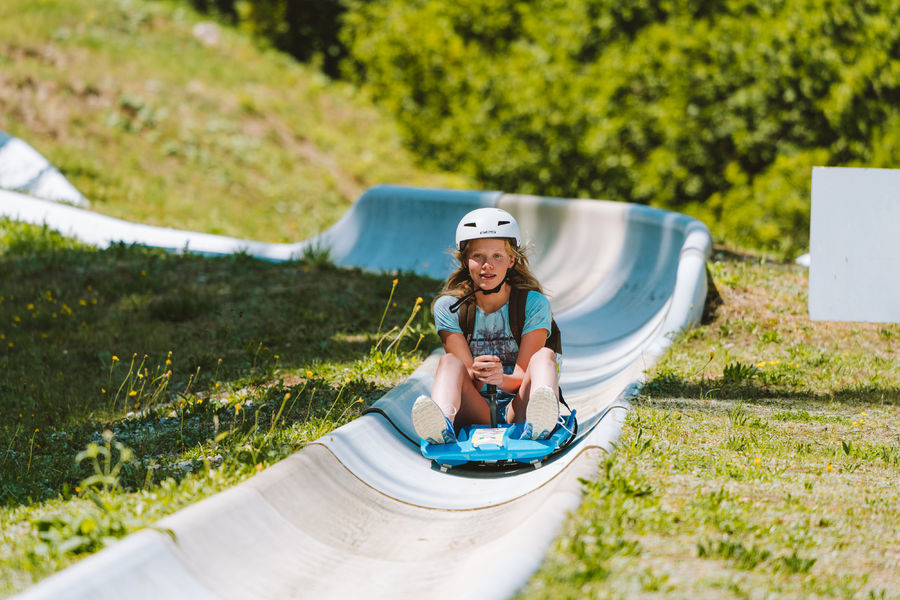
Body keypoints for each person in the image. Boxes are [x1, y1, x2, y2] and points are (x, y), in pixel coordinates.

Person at [412, 207, 560, 445]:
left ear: (511, 260)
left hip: (518, 406)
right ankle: (441, 425)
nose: (487, 265)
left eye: (497, 256)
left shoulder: (533, 304)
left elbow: (522, 376)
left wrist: (500, 378)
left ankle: (540, 423)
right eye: (478, 256)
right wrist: (481, 375)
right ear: (465, 260)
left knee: (544, 356)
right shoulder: (449, 307)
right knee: (449, 361)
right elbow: (466, 376)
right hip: (475, 407)